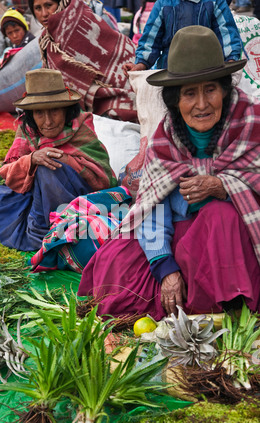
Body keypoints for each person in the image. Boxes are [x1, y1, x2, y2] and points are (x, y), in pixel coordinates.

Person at [78, 26, 260, 321]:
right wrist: (165, 266)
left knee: (219, 216)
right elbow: (152, 204)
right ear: (176, 100)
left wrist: (222, 186)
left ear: (225, 91)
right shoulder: (166, 137)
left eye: (210, 89)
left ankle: (227, 304)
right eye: (190, 93)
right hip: (179, 235)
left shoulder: (251, 121)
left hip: (235, 243)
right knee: (115, 266)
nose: (202, 104)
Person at [0, 68, 116, 252]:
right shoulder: (28, 130)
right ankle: (37, 231)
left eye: (54, 111)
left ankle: (51, 234)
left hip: (75, 205)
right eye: (39, 113)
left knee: (48, 167)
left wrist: (66, 160)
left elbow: (104, 179)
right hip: (32, 199)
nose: (48, 121)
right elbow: (8, 172)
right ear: (31, 115)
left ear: (66, 110)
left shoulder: (81, 128)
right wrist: (31, 159)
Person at [122, 0, 243, 76]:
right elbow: (151, 39)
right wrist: (140, 64)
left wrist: (230, 61)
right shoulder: (164, 4)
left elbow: (227, 35)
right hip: (170, 72)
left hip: (209, 70)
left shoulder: (215, 2)